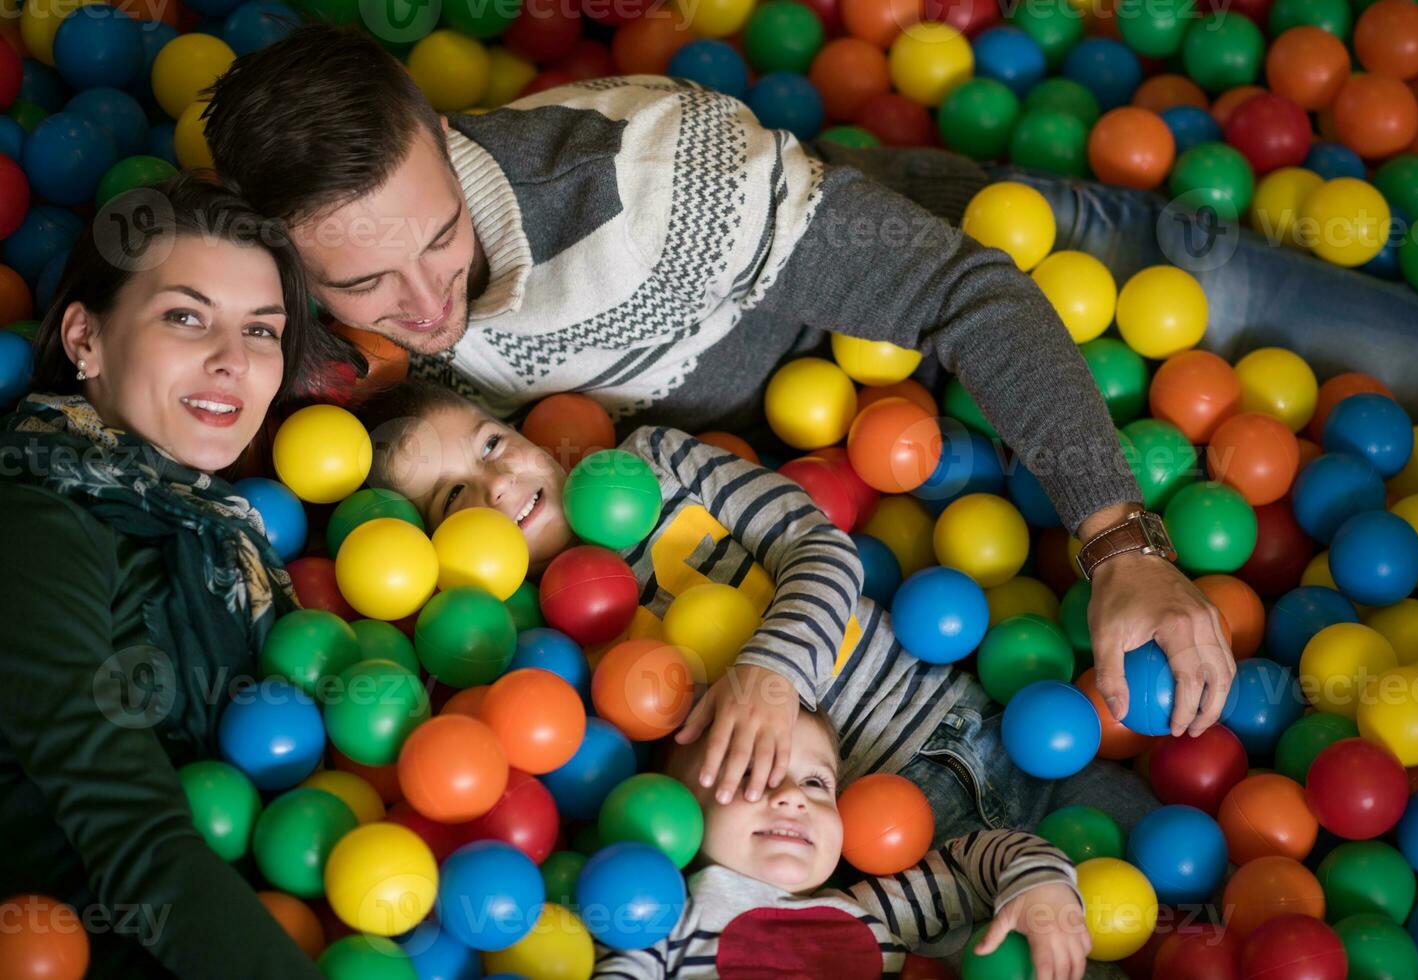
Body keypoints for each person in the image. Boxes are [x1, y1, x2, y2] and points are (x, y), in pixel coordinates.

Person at [203, 25, 1236, 736]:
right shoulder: (287, 308)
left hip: (981, 281)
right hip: (783, 480)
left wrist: (1116, 543)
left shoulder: (655, 181)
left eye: (437, 242)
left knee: (1226, 270)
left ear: (437, 133)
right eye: (365, 282)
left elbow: (970, 296)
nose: (426, 305)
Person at [355, 381, 1156, 855]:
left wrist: (770, 671)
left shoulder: (655, 460)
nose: (495, 485)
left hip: (980, 733)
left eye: (492, 443)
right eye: (454, 498)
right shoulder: (519, 651)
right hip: (864, 850)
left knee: (1159, 874)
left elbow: (823, 548)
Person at [0, 176, 341, 978]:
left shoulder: (229, 540)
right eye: (186, 317)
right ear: (84, 339)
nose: (232, 361)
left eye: (262, 331)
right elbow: (132, 836)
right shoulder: (33, 520)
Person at [593, 707, 1091, 978]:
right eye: (752, 774)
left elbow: (972, 862)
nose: (792, 797)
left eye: (816, 783)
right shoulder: (661, 916)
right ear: (678, 813)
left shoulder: (870, 911)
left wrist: (1040, 886)